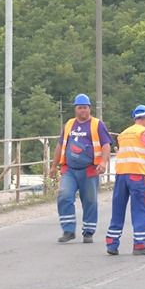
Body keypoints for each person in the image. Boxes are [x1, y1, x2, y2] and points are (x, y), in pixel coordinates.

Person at [105, 105, 145, 256]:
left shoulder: (123, 134)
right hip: (137, 175)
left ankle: (112, 243)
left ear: (135, 118)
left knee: (118, 209)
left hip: (121, 175)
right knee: (140, 209)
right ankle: (140, 244)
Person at [52, 93, 112, 244]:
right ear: (75, 109)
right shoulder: (69, 125)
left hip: (90, 169)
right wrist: (54, 165)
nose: (82, 111)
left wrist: (104, 162)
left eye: (85, 108)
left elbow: (106, 145)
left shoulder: (97, 124)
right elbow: (60, 145)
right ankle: (68, 230)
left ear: (89, 108)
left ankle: (88, 232)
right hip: (70, 170)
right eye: (79, 108)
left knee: (90, 201)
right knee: (64, 195)